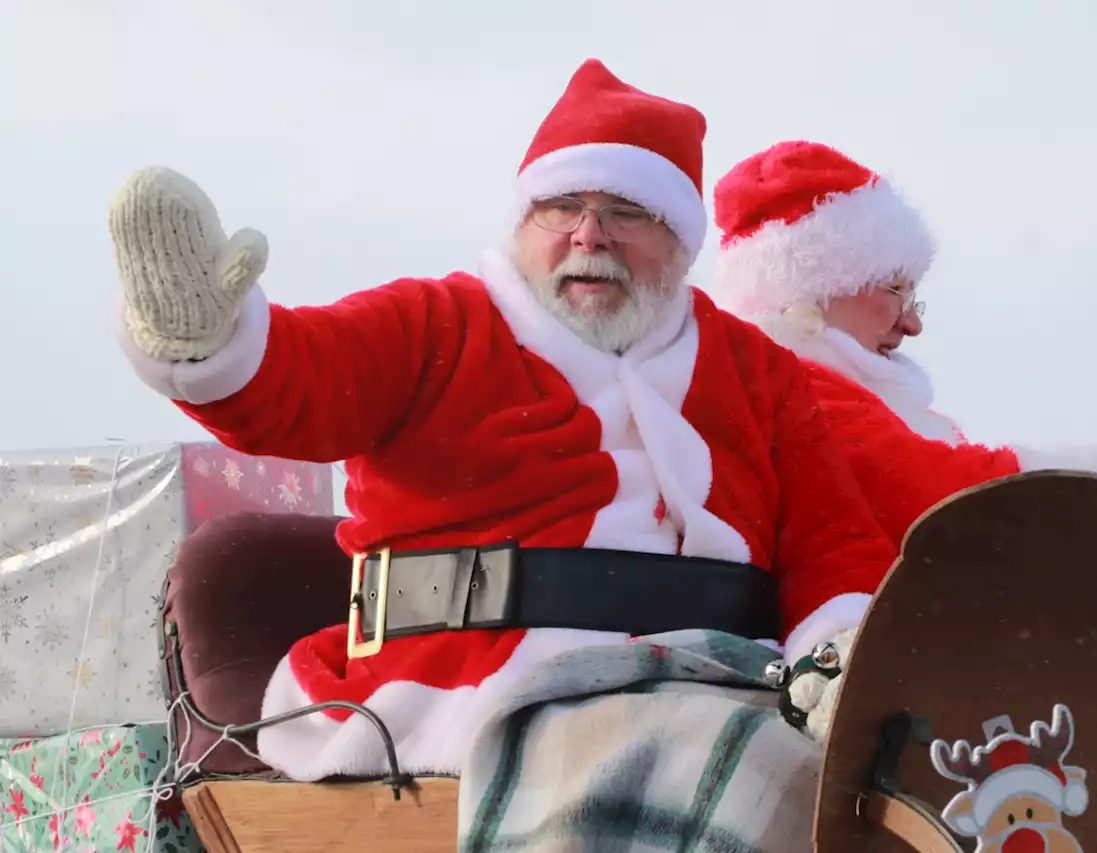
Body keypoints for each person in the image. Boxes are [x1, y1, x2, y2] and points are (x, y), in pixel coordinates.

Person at [109, 60, 900, 847]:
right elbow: (296, 384)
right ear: (524, 223)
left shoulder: (758, 371)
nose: (589, 234)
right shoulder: (438, 322)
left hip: (728, 677)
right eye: (562, 206)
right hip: (471, 681)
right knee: (714, 756)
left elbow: (833, 543)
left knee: (884, 782)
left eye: (626, 211)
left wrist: (835, 659)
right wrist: (210, 338)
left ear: (681, 242)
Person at [711, 139, 1097, 549]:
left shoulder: (780, 388)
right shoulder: (796, 394)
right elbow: (963, 504)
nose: (911, 326)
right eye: (896, 291)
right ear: (811, 293)